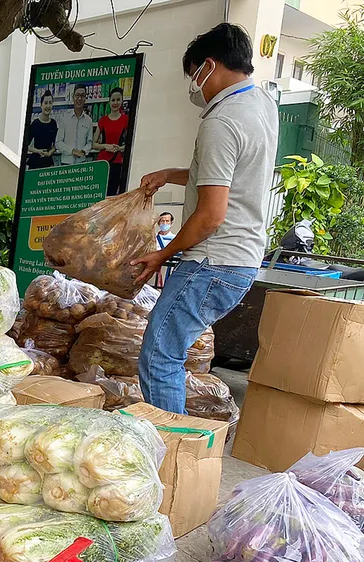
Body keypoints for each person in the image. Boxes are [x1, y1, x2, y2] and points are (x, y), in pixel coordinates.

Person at [131, 23, 278, 414]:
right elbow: (231, 176)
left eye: (194, 75)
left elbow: (211, 215)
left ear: (208, 66)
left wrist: (163, 254)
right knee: (168, 354)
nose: (195, 87)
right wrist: (172, 175)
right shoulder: (262, 105)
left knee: (160, 357)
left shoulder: (221, 121)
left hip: (212, 263)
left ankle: (171, 455)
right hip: (242, 260)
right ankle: (178, 450)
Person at [94, 87, 130, 196]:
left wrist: (119, 148)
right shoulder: (103, 120)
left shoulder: (126, 119)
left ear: (122, 101)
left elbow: (129, 143)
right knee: (100, 193)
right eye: (113, 100)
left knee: (112, 192)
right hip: (102, 162)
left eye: (118, 100)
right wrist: (105, 146)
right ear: (109, 101)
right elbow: (94, 144)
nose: (115, 103)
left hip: (117, 162)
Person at [55, 84, 93, 165]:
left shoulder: (88, 121)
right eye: (77, 95)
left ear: (85, 98)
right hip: (66, 163)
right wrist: (72, 151)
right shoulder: (64, 119)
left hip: (81, 162)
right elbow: (58, 143)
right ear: (73, 97)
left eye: (82, 96)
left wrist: (83, 151)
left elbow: (89, 142)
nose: (79, 98)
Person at [25, 90, 58, 170]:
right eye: (46, 103)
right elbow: (26, 145)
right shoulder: (35, 124)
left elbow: (56, 144)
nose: (48, 106)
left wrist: (50, 152)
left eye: (50, 103)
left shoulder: (53, 123)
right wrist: (37, 151)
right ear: (41, 105)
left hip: (48, 162)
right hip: (35, 161)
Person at [155, 212, 176, 289]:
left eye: (167, 221)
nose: (164, 223)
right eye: (162, 221)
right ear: (158, 223)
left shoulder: (175, 239)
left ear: (171, 223)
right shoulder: (152, 239)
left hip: (168, 271)